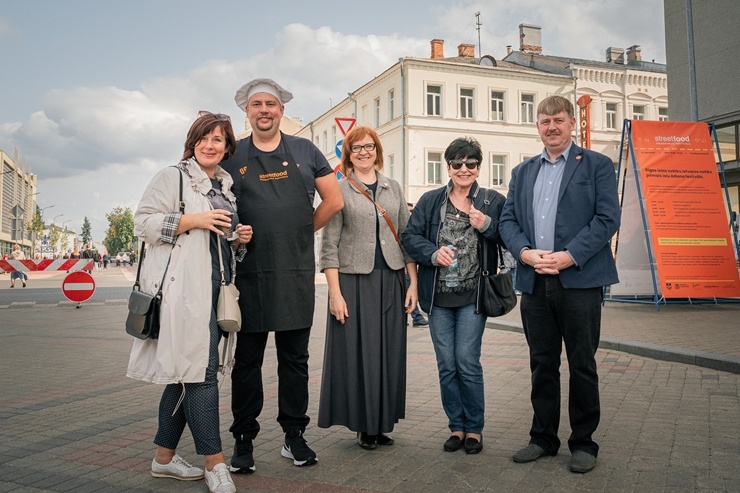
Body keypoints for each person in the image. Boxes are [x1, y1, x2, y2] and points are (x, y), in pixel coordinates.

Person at [126, 111, 253, 493]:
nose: (210, 145)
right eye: (204, 138)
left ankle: (163, 460)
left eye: (218, 139)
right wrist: (192, 220)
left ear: (227, 147)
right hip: (183, 295)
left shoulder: (226, 186)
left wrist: (237, 239)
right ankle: (214, 464)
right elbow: (142, 223)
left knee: (186, 374)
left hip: (216, 293)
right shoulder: (173, 177)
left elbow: (217, 245)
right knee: (202, 374)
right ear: (192, 143)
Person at [221, 78, 343, 473]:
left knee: (296, 360)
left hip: (294, 272)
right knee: (247, 362)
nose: (264, 110)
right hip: (249, 273)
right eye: (257, 104)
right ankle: (244, 439)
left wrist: (302, 229)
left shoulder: (306, 151)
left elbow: (335, 199)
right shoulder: (231, 154)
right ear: (247, 111)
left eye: (271, 104)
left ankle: (294, 436)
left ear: (281, 110)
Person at [499, 95, 620, 474]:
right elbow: (507, 221)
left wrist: (570, 255)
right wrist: (524, 253)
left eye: (559, 120)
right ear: (537, 126)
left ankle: (584, 443)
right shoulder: (522, 172)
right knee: (542, 364)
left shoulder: (597, 165)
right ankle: (543, 438)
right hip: (535, 282)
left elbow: (606, 218)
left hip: (579, 281)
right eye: (544, 120)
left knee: (582, 363)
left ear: (572, 124)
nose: (552, 126)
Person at [402, 137, 505, 455]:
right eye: (457, 163)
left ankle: (474, 429)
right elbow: (409, 236)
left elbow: (509, 235)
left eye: (470, 163)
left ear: (478, 168)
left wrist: (487, 225)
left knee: (466, 362)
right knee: (447, 364)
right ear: (448, 167)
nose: (464, 169)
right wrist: (433, 254)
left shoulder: (491, 201)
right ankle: (456, 427)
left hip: (474, 296)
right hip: (438, 296)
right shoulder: (431, 200)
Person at [317, 126, 417, 450]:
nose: (363, 152)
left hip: (391, 279)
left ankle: (381, 422)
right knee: (357, 355)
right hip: (353, 281)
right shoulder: (340, 190)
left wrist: (412, 283)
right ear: (348, 153)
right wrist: (334, 293)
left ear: (377, 151)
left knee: (388, 354)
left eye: (369, 146)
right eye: (356, 147)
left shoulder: (393, 188)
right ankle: (363, 426)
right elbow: (328, 246)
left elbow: (406, 239)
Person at [406, 203, 428, 327]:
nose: (410, 213)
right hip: (405, 267)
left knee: (409, 291)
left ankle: (416, 317)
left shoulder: (413, 224)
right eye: (409, 210)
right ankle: (417, 317)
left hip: (411, 265)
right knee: (409, 291)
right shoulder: (406, 224)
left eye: (411, 210)